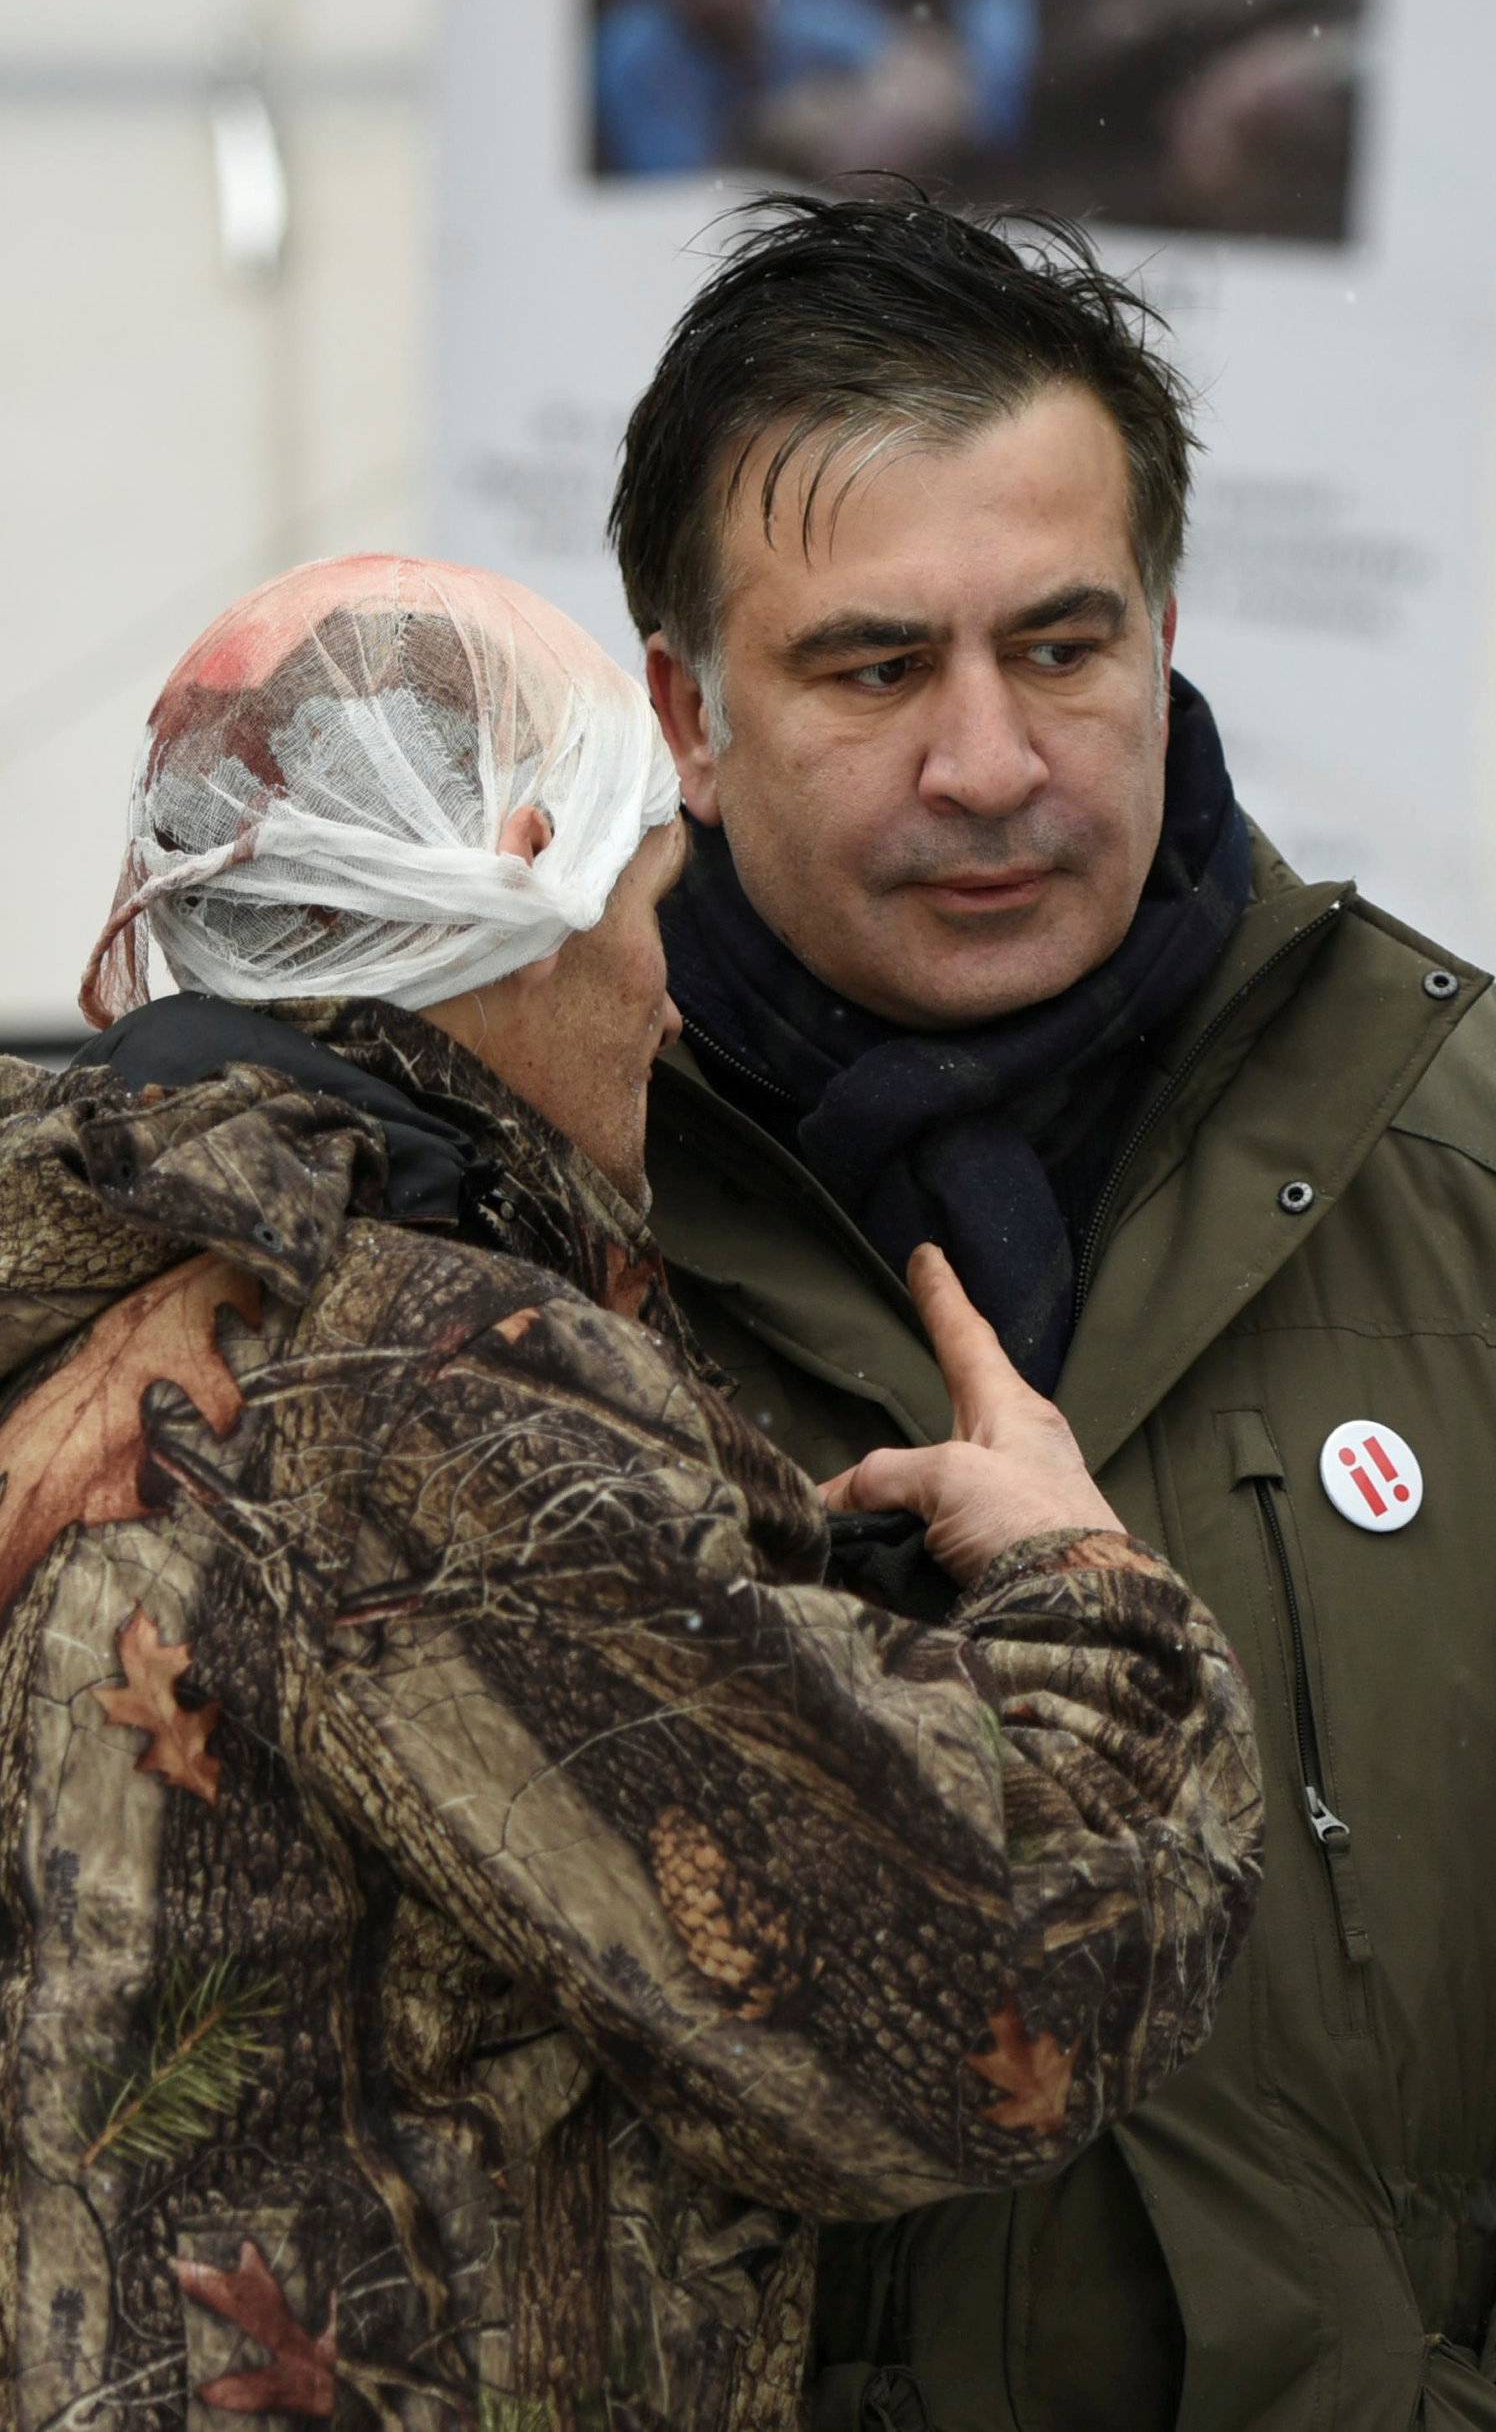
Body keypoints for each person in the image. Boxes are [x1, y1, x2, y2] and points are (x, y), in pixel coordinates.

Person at [609, 190, 1496, 2431]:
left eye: (1066, 644)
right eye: (875, 665)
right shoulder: (518, 1220)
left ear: (1172, 628)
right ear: (686, 714)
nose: (994, 762)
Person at [0, 553, 1262, 2432]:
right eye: (655, 905)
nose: (674, 1007)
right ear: (524, 900)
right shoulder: (422, 1393)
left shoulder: (84, 1281)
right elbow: (973, 2007)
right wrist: (1085, 1587)